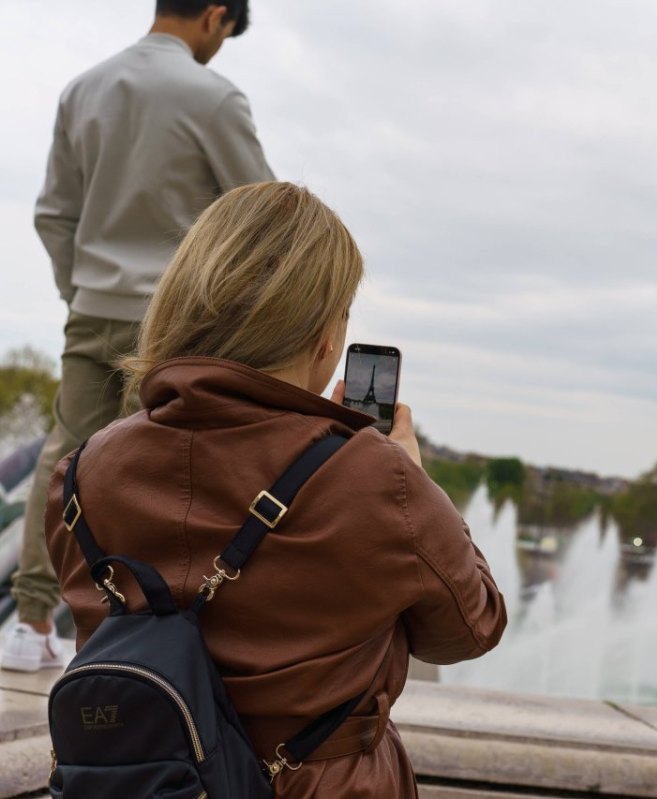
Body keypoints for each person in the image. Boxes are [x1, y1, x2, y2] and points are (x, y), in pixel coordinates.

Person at [45, 181, 507, 796]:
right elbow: (470, 628)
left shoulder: (80, 472)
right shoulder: (377, 477)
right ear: (322, 335)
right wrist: (413, 478)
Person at [2, 0, 274, 670]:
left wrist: (79, 289)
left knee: (63, 456)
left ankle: (30, 622)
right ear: (216, 15)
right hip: (176, 316)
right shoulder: (214, 99)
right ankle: (128, 636)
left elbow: (53, 212)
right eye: (228, 33)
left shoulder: (83, 88)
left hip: (91, 302)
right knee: (154, 464)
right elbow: (263, 217)